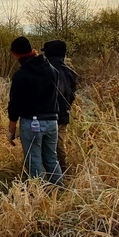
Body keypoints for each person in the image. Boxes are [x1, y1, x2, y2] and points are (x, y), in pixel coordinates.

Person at [6, 35, 64, 186]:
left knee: (34, 160)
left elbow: (15, 105)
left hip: (32, 123)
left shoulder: (21, 75)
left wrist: (11, 128)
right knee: (51, 158)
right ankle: (59, 192)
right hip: (52, 122)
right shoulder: (52, 70)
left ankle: (39, 196)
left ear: (15, 54)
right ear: (32, 50)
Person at [41, 39, 78, 174]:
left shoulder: (42, 70)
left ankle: (49, 174)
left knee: (42, 145)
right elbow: (72, 95)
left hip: (42, 115)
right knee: (59, 145)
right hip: (63, 115)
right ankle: (62, 171)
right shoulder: (70, 73)